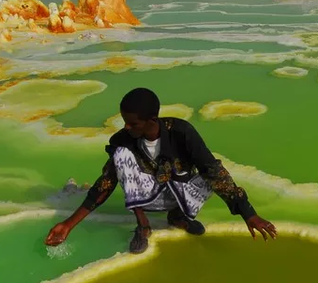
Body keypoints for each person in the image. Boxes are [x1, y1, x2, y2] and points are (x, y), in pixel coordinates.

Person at [45, 87, 278, 253]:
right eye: (124, 121)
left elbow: (212, 170)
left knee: (213, 171)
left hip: (178, 192)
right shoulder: (123, 140)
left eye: (133, 123)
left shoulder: (181, 132)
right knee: (121, 156)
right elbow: (104, 185)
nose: (126, 127)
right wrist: (68, 224)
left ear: (151, 119)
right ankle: (143, 226)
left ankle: (177, 217)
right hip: (144, 196)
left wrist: (249, 214)